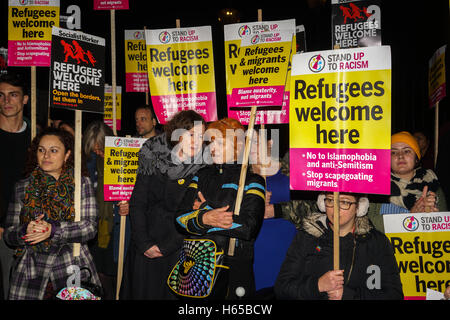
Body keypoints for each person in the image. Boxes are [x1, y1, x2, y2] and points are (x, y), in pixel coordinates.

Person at [3, 128, 101, 300]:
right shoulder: (23, 187)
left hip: (71, 267)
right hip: (30, 273)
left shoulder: (80, 184)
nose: (46, 155)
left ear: (67, 155)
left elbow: (90, 228)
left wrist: (53, 230)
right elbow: (9, 235)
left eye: (53, 150)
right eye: (41, 150)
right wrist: (25, 230)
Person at [175, 118, 266, 299]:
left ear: (238, 146)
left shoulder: (253, 181)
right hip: (197, 266)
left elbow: (248, 228)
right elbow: (179, 218)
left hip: (235, 268)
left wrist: (205, 211)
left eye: (220, 142)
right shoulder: (201, 175)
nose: (212, 148)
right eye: (210, 142)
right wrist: (204, 218)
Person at [120, 110, 206, 300]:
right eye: (192, 135)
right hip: (145, 243)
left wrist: (166, 247)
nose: (197, 141)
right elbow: (138, 201)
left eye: (201, 136)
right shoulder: (154, 157)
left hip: (178, 249)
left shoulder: (203, 168)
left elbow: (193, 215)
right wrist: (144, 242)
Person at [274, 192, 404, 300]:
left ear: (359, 207)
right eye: (330, 200)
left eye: (344, 202)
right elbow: (282, 288)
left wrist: (348, 295)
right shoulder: (307, 237)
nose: (335, 208)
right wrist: (317, 286)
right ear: (322, 203)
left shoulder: (377, 242)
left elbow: (394, 295)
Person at [83, 121, 129, 300]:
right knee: (99, 272)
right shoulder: (87, 163)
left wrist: (129, 204)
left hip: (117, 225)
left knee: (117, 271)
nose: (97, 153)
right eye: (93, 149)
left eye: (101, 149)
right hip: (96, 225)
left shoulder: (122, 160)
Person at [368, 131, 447, 232]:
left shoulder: (432, 184)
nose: (400, 156)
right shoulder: (376, 186)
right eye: (393, 152)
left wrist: (432, 216)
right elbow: (370, 223)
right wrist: (409, 217)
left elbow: (443, 229)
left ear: (416, 158)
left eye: (407, 151)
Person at [0, 72, 31, 299]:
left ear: (25, 99)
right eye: (1, 96)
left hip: (28, 232)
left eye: (13, 95)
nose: (6, 101)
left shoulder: (37, 137)